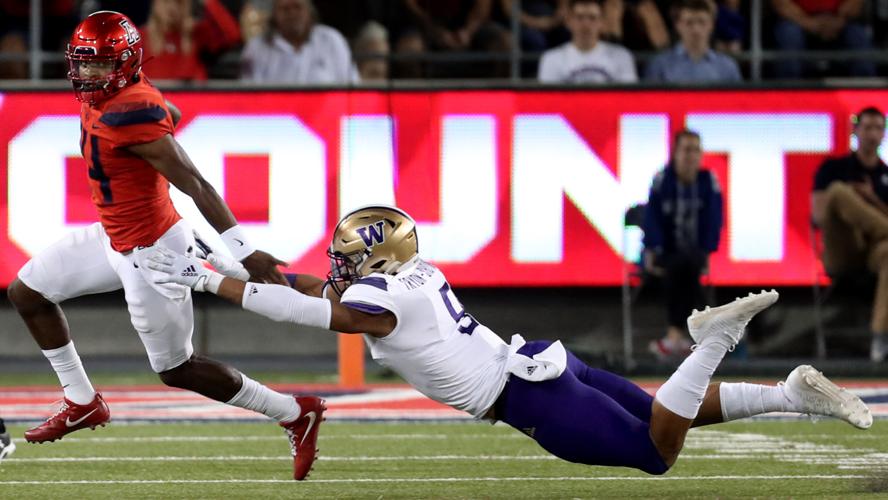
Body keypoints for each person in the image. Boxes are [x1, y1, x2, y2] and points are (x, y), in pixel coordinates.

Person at [147, 205, 872, 476]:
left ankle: (713, 339)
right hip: (541, 363)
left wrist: (211, 283)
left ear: (374, 257)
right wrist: (237, 265)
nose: (336, 265)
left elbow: (308, 311)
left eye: (347, 254)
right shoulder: (411, 276)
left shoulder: (374, 304)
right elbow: (323, 291)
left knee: (657, 451)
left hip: (528, 395)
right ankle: (788, 394)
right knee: (666, 412)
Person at [6, 12, 322, 481]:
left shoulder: (129, 110)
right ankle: (81, 401)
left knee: (178, 368)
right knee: (27, 292)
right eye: (83, 64)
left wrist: (244, 249)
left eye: (99, 65)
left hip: (154, 253)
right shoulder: (123, 93)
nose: (88, 75)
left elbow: (195, 182)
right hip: (115, 236)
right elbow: (170, 114)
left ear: (125, 62)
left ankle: (295, 411)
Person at [812, 107, 888, 363]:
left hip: (875, 252)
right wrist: (854, 204)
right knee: (837, 192)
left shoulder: (886, 176)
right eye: (867, 127)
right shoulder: (834, 167)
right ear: (855, 131)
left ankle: (880, 336)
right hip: (842, 247)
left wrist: (872, 200)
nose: (872, 134)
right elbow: (819, 216)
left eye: (878, 128)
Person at [643, 130, 724, 360]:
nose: (691, 156)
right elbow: (652, 220)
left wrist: (708, 251)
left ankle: (675, 336)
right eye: (686, 150)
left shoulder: (708, 182)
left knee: (687, 265)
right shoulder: (662, 181)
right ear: (675, 153)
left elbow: (714, 220)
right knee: (680, 266)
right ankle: (702, 334)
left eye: (695, 150)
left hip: (695, 255)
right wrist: (653, 249)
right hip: (665, 252)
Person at [240, 0, 358, 84]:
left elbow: (352, 86)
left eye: (297, 7)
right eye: (285, 9)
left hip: (327, 115)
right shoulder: (256, 48)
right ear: (274, 14)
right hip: (277, 116)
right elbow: (250, 96)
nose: (292, 14)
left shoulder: (332, 40)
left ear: (309, 11)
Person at [538, 0, 637, 84]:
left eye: (592, 18)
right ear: (568, 21)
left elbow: (628, 100)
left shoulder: (621, 57)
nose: (586, 24)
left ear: (601, 22)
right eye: (579, 18)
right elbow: (550, 103)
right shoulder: (551, 59)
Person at [141, 0, 242, 81]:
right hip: (155, 102)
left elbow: (233, 35)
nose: (171, 8)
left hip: (193, 101)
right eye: (166, 1)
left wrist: (208, 2)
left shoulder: (195, 33)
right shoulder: (141, 36)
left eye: (178, 2)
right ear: (155, 5)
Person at [770, 0, 875, 78]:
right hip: (797, 21)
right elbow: (780, 4)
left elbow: (855, 3)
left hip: (839, 23)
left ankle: (866, 94)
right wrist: (810, 24)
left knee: (857, 35)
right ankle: (789, 93)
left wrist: (840, 20)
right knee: (789, 34)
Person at [644, 0, 741, 83]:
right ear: (678, 25)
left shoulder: (728, 67)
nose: (696, 29)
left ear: (712, 25)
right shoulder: (660, 65)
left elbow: (737, 103)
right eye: (689, 22)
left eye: (702, 22)